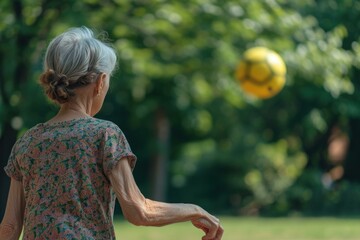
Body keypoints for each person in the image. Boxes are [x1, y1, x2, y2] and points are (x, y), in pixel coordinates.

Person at [0, 27, 223, 240]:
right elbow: (139, 211)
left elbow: (9, 228)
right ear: (100, 82)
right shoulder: (105, 134)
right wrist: (195, 210)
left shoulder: (27, 142)